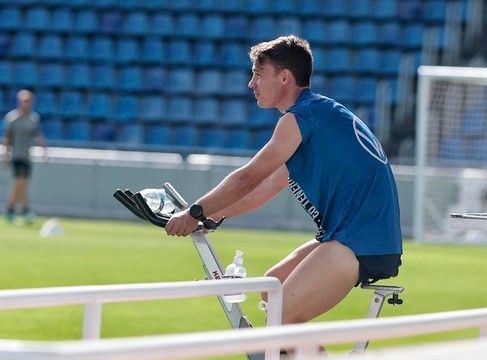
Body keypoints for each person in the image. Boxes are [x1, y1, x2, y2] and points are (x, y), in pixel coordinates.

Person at [165, 35, 402, 327]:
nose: (251, 84)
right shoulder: (316, 114)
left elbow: (248, 177)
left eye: (258, 74)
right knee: (270, 288)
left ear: (285, 78)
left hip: (359, 241)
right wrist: (212, 215)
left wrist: (195, 212)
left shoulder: (299, 118)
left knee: (281, 316)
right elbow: (265, 187)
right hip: (357, 236)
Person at [2, 89, 46, 224]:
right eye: (24, 101)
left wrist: (44, 150)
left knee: (22, 185)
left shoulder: (33, 119)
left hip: (27, 156)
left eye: (28, 101)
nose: (26, 104)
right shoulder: (12, 118)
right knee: (20, 182)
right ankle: (23, 210)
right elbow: (7, 139)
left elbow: (38, 136)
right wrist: (5, 155)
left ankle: (13, 210)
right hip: (16, 156)